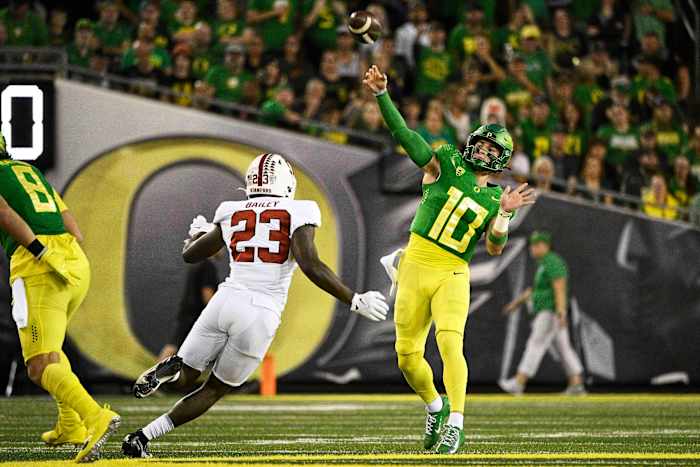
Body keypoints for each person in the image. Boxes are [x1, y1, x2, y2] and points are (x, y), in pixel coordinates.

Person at [122, 153, 388, 458]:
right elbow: (310, 264)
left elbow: (191, 255)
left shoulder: (230, 211)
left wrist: (196, 235)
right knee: (214, 389)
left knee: (185, 378)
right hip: (261, 310)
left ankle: (154, 403)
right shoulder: (299, 210)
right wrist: (353, 299)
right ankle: (143, 436)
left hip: (225, 300)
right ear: (286, 182)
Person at [364, 65, 535, 454]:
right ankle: (435, 406)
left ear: (502, 161)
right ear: (473, 141)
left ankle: (456, 423)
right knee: (407, 358)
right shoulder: (445, 162)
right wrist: (381, 95)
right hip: (415, 266)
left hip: (453, 272)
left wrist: (505, 216)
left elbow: (493, 248)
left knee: (449, 344)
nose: (485, 151)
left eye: (494, 150)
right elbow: (407, 138)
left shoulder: (496, 198)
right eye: (483, 144)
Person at [0, 132, 119, 462]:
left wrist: (38, 250)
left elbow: (3, 212)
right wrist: (66, 250)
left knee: (38, 365)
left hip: (39, 264)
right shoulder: (28, 170)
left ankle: (95, 417)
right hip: (73, 259)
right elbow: (68, 219)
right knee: (52, 352)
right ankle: (70, 425)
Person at [500, 231, 586, 396]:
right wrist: (515, 304)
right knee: (563, 348)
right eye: (532, 244)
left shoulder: (552, 261)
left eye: (536, 245)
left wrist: (561, 311)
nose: (533, 248)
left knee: (535, 344)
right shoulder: (544, 263)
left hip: (550, 312)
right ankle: (576, 384)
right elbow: (534, 290)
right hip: (549, 311)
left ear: (545, 246)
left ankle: (518, 382)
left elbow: (559, 286)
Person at [158, 252, 219, 361]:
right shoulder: (208, 266)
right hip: (194, 315)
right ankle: (153, 376)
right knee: (174, 346)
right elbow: (207, 293)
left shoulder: (197, 263)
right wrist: (216, 314)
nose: (223, 251)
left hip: (188, 312)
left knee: (176, 344)